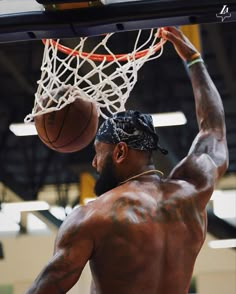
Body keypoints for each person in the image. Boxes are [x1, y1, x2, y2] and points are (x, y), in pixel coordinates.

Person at [25, 27, 228, 294]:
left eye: (98, 152)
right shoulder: (192, 192)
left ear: (120, 152)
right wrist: (194, 60)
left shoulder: (93, 217)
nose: (95, 164)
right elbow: (213, 129)